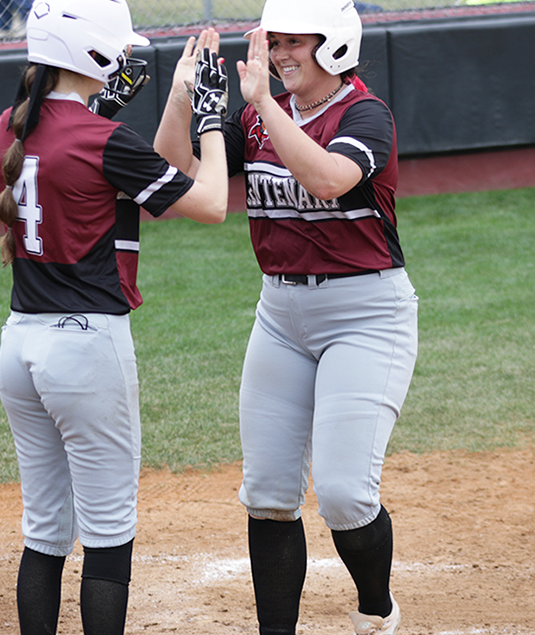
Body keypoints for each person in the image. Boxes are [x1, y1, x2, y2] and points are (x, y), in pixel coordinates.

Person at [153, 1, 418, 634]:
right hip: (280, 314)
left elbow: (328, 179)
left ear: (334, 45)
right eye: (276, 44)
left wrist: (264, 107)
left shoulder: (364, 114)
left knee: (345, 493)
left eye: (294, 43)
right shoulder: (256, 117)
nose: (279, 56)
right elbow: (177, 171)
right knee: (269, 493)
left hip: (365, 314)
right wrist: (183, 98)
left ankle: (377, 612)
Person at [0, 1, 229, 633]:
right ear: (91, 54)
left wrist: (169, 102)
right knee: (108, 532)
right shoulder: (102, 140)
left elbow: (97, 165)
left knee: (44, 531)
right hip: (87, 348)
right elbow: (213, 204)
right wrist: (210, 119)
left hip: (20, 345)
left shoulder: (9, 128)